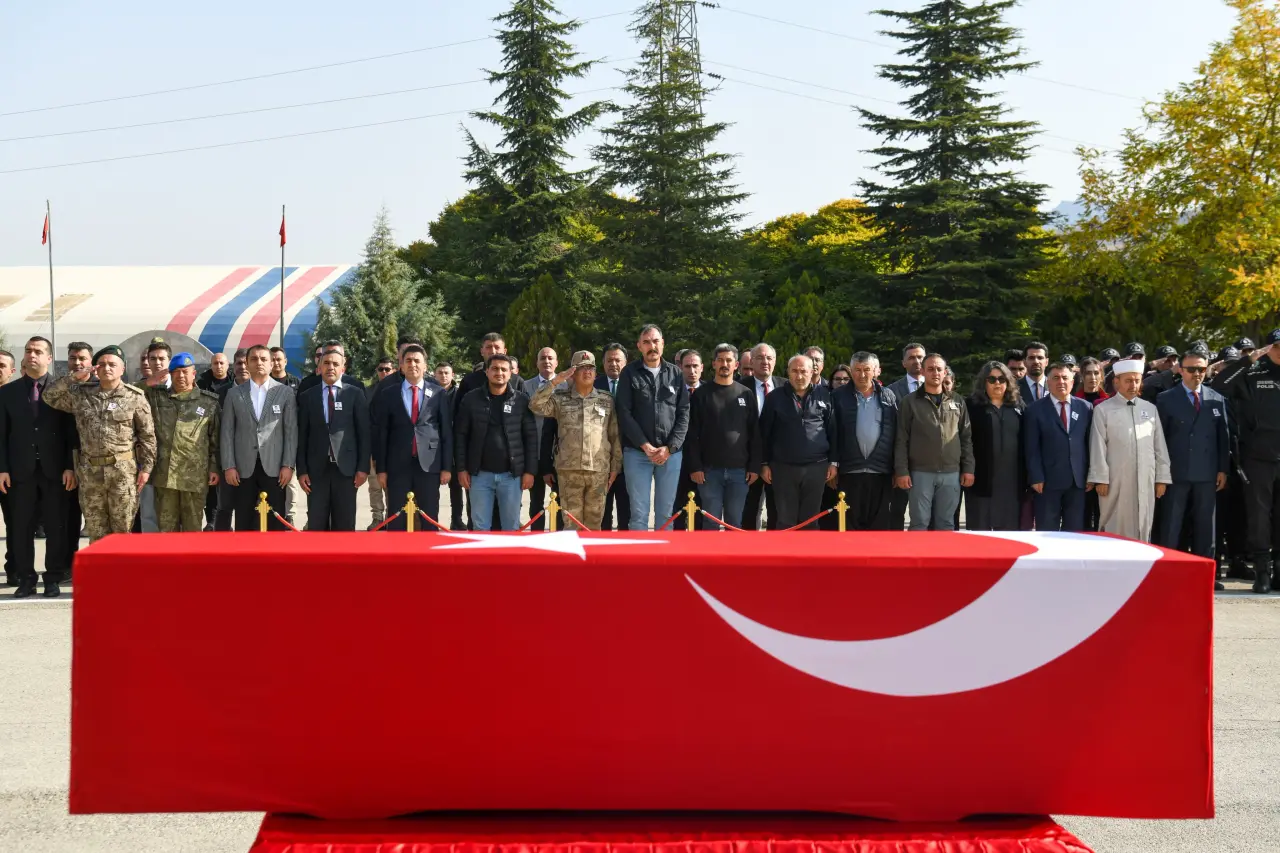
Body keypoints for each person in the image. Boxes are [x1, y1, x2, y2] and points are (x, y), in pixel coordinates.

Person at [43, 345, 156, 543]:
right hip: (90, 474)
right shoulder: (81, 394)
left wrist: (146, 469)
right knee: (96, 533)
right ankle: (99, 565)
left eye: (112, 364)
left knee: (122, 532)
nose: (107, 368)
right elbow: (49, 396)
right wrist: (75, 377)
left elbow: (147, 435)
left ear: (122, 369)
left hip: (122, 473)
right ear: (95, 368)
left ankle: (121, 565)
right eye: (102, 364)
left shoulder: (135, 397)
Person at [0, 337, 75, 598]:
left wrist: (70, 467)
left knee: (56, 527)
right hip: (20, 472)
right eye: (28, 351)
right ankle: (26, 579)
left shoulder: (63, 390)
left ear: (49, 358)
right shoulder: (7, 392)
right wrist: (2, 468)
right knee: (21, 528)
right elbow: (2, 434)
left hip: (55, 472)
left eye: (38, 351)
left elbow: (71, 433)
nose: (32, 355)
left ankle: (53, 577)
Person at [1211, 331, 1280, 592]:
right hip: (1258, 457)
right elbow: (1220, 385)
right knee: (1259, 517)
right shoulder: (1253, 371)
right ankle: (1262, 572)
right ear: (1268, 348)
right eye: (1276, 346)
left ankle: (1279, 571)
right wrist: (1247, 360)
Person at [1157, 350, 1229, 582]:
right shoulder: (1165, 399)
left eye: (1201, 369)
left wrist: (1222, 469)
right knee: (1171, 524)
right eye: (1191, 369)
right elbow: (1159, 440)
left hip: (1207, 473)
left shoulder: (1216, 398)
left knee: (1206, 525)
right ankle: (1167, 573)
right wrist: (1160, 472)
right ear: (1180, 370)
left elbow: (1223, 438)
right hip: (1175, 473)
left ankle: (1205, 575)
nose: (1197, 373)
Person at [528, 351, 621, 530]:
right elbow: (535, 405)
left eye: (590, 368)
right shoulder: (560, 399)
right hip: (569, 471)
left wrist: (615, 467)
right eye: (581, 368)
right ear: (572, 373)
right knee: (571, 524)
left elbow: (614, 435)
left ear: (595, 373)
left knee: (594, 524)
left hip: (598, 470)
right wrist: (555, 381)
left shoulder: (606, 400)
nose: (587, 372)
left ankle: (591, 550)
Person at [614, 325, 690, 531]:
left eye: (655, 341)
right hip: (637, 453)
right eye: (646, 342)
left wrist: (670, 448)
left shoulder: (676, 374)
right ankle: (639, 553)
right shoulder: (629, 373)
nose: (652, 346)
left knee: (666, 514)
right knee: (639, 513)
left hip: (670, 455)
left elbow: (684, 413)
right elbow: (624, 414)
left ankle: (662, 553)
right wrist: (645, 445)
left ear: (662, 344)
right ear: (639, 346)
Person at [1087, 359, 1171, 542]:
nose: (1133, 385)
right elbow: (1098, 446)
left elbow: (1159, 446)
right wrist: (1100, 478)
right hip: (1115, 479)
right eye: (1128, 381)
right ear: (1116, 382)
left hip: (1146, 477)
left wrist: (1162, 478)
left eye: (1137, 380)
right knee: (1114, 522)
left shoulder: (1150, 409)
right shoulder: (1103, 410)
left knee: (1144, 521)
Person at [372, 345, 452, 531]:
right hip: (397, 466)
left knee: (429, 519)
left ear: (425, 366)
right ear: (401, 366)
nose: (412, 364)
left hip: (429, 465)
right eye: (408, 361)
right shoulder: (388, 393)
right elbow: (382, 433)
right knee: (396, 520)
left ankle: (429, 551)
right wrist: (381, 469)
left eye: (417, 361)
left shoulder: (438, 393)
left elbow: (446, 432)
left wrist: (446, 467)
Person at [219, 344, 297, 532]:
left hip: (275, 467)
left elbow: (291, 432)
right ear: (247, 364)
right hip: (243, 468)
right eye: (254, 359)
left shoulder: (284, 392)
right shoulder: (234, 394)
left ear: (271, 364)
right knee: (244, 520)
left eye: (263, 359)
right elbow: (227, 432)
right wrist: (229, 466)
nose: (259, 363)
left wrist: (288, 465)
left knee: (275, 521)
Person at [455, 354, 536, 531]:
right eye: (495, 369)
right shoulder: (471, 399)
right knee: (480, 526)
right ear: (487, 371)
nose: (499, 373)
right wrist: (461, 468)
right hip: (479, 475)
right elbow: (460, 436)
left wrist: (530, 471)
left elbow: (530, 438)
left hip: (511, 476)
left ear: (511, 373)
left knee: (511, 527)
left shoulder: (521, 401)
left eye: (504, 369)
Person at [685, 344, 761, 531]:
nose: (724, 364)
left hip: (739, 472)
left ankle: (732, 553)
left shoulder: (746, 394)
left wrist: (754, 467)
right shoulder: (701, 394)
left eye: (728, 360)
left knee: (734, 524)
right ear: (713, 364)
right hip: (709, 472)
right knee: (710, 523)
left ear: (736, 365)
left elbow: (755, 433)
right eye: (720, 360)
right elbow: (691, 433)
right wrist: (695, 466)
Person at [894, 353, 974, 531]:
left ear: (945, 372)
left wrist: (968, 468)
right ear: (922, 372)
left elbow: (966, 437)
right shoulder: (910, 402)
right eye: (930, 369)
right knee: (919, 523)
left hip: (951, 473)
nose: (935, 373)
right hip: (920, 473)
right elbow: (901, 439)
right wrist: (901, 471)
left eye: (939, 369)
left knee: (946, 524)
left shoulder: (957, 401)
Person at [759, 354, 837, 530]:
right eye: (794, 371)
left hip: (817, 467)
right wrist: (764, 463)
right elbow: (764, 434)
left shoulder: (825, 395)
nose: (799, 376)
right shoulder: (774, 397)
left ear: (812, 372)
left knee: (810, 520)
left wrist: (833, 462)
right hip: (783, 468)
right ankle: (786, 549)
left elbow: (833, 431)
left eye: (803, 371)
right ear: (788, 372)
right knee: (786, 520)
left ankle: (809, 549)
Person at [145, 353, 221, 533]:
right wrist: (152, 380)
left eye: (185, 371)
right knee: (166, 530)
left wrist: (214, 467)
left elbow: (216, 439)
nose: (180, 376)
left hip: (194, 476)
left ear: (194, 374)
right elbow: (131, 392)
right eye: (176, 371)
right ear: (170, 374)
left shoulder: (208, 402)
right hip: (164, 476)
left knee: (192, 529)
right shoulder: (157, 397)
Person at [296, 349, 371, 531]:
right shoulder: (308, 396)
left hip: (346, 470)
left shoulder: (355, 394)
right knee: (317, 525)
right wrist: (302, 470)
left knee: (344, 525)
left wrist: (363, 468)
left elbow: (364, 433)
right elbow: (302, 435)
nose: (331, 367)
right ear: (319, 367)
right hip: (316, 471)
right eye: (327, 363)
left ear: (343, 368)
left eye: (335, 364)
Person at [832, 352, 897, 530]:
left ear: (875, 370)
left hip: (880, 471)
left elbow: (895, 434)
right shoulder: (838, 397)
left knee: (879, 527)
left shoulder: (888, 396)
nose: (862, 375)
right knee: (848, 526)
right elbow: (833, 433)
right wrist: (833, 464)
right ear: (851, 371)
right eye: (857, 370)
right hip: (849, 471)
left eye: (867, 369)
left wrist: (897, 468)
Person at [1025, 362, 1092, 531]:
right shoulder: (1034, 410)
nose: (1061, 382)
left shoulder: (1085, 408)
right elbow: (1031, 447)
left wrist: (1091, 474)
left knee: (1075, 532)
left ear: (1072, 382)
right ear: (1048, 381)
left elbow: (1090, 445)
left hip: (1078, 481)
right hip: (1047, 482)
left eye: (1065, 378)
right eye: (1056, 378)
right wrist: (1036, 476)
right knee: (1047, 531)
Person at [964, 361, 1025, 531]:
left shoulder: (1018, 405)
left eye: (1001, 379)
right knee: (980, 531)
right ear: (983, 382)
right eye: (991, 379)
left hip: (1012, 481)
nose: (997, 383)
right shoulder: (972, 406)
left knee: (1008, 533)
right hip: (981, 478)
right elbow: (965, 441)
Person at [886, 342, 928, 530]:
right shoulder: (891, 391)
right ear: (903, 363)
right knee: (896, 512)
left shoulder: (938, 388)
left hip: (929, 462)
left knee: (926, 514)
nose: (916, 361)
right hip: (900, 462)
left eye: (920, 357)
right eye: (911, 357)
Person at [740, 343, 780, 530]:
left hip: (779, 462)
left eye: (769, 358)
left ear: (775, 361)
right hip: (748, 462)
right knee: (749, 512)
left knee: (777, 514)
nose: (765, 362)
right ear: (751, 362)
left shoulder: (786, 386)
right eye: (760, 358)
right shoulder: (739, 387)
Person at [62, 342, 92, 569]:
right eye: (73, 358)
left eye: (82, 358)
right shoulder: (61, 388)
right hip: (68, 463)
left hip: (97, 464)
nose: (77, 363)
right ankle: (69, 566)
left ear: (91, 361)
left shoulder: (100, 386)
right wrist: (68, 465)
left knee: (98, 521)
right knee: (69, 519)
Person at [524, 347, 560, 532]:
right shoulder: (526, 386)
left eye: (550, 358)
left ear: (556, 362)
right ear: (537, 363)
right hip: (534, 451)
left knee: (560, 500)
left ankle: (559, 536)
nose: (547, 361)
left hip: (560, 453)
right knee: (536, 501)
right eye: (543, 358)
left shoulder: (566, 385)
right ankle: (537, 534)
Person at [197, 351, 234, 530]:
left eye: (222, 363)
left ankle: (226, 523)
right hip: (209, 439)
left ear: (227, 365)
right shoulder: (202, 384)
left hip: (228, 440)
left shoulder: (234, 384)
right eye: (215, 363)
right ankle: (211, 521)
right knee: (212, 484)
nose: (218, 366)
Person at [597, 343, 631, 531]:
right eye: (609, 360)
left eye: (618, 360)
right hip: (601, 458)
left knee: (627, 512)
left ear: (625, 363)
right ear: (603, 363)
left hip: (630, 457)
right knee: (603, 513)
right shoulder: (593, 386)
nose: (613, 364)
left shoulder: (634, 384)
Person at [365, 357, 397, 528]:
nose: (384, 372)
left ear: (394, 370)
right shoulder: (369, 391)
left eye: (387, 369)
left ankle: (392, 517)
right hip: (373, 445)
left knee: (391, 485)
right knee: (374, 485)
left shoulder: (399, 389)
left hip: (392, 447)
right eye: (381, 369)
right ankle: (377, 517)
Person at [0, 348, 12, 585]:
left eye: (2, 365)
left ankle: (15, 569)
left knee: (16, 524)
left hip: (11, 472)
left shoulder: (18, 396)